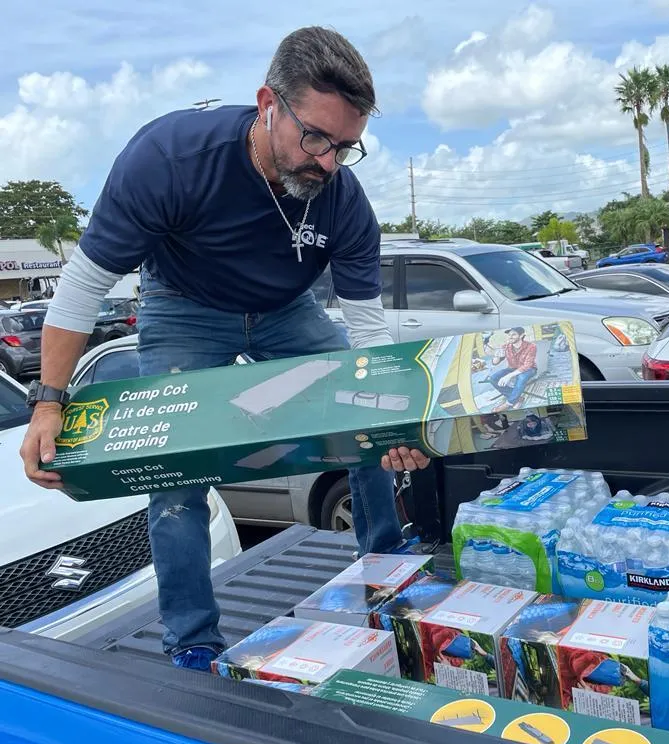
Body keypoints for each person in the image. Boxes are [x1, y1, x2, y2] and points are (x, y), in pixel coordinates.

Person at [18, 26, 430, 672]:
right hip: (185, 308)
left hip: (286, 311)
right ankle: (191, 640)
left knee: (361, 414)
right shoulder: (170, 160)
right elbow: (83, 286)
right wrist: (48, 402)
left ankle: (386, 571)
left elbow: (368, 347)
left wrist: (388, 420)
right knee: (176, 467)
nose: (326, 162)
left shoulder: (346, 206)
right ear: (268, 103)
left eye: (345, 148)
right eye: (315, 138)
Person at [487, 327, 538, 410]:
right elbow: (495, 362)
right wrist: (496, 356)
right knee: (493, 378)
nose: (510, 337)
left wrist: (508, 376)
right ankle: (517, 398)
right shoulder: (506, 346)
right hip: (512, 368)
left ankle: (509, 403)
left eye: (513, 334)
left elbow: (528, 365)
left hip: (529, 369)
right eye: (509, 335)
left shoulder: (531, 346)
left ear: (521, 335)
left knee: (521, 377)